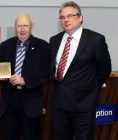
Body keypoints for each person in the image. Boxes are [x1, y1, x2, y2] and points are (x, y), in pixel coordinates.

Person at [49, 1, 112, 140]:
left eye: (70, 15)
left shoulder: (95, 40)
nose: (66, 20)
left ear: (80, 18)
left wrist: (89, 88)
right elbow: (52, 68)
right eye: (62, 17)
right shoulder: (54, 40)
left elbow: (104, 69)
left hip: (83, 106)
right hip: (59, 106)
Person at [0, 13, 51, 140]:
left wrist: (25, 81)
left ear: (32, 26)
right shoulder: (5, 45)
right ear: (15, 27)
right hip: (9, 102)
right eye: (19, 26)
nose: (22, 29)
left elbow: (46, 74)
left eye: (25, 26)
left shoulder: (43, 46)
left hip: (31, 102)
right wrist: (1, 76)